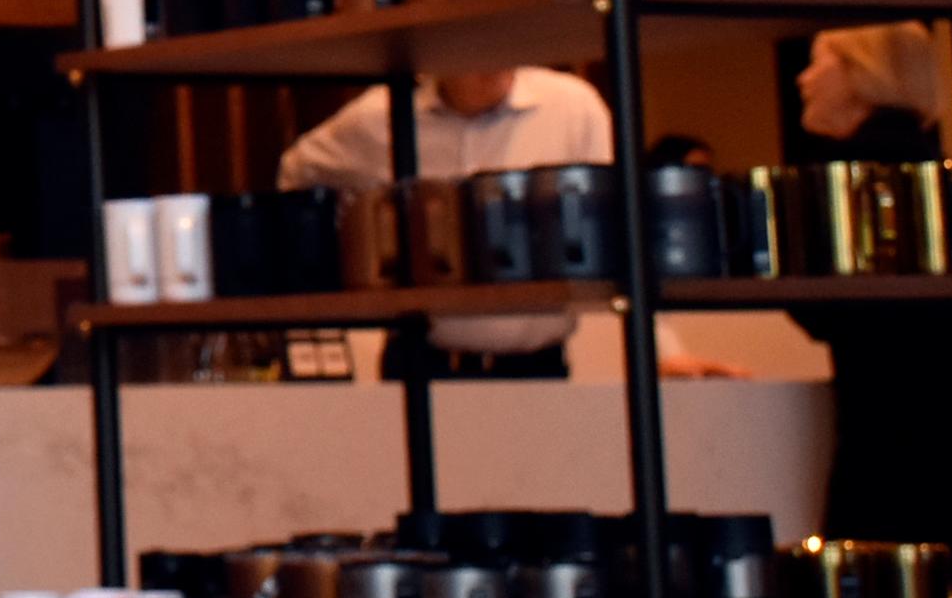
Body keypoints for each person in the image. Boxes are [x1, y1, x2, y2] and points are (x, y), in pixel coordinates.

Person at [277, 66, 734, 381]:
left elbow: (622, 239)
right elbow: (297, 173)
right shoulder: (378, 116)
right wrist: (359, 249)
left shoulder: (573, 107)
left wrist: (663, 352)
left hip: (537, 366)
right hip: (422, 365)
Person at [792, 24, 952, 564]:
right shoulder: (947, 178)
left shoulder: (851, 181)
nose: (803, 79)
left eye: (818, 62)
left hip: (882, 447)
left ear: (862, 76)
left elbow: (825, 314)